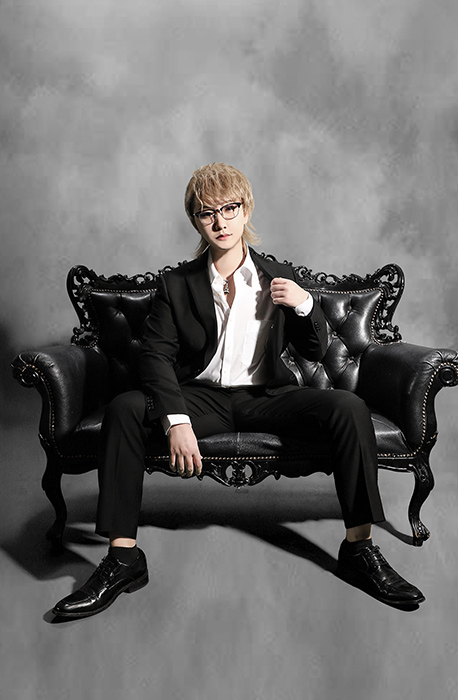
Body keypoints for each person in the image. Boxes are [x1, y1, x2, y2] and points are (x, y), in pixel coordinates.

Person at [53, 163, 425, 618]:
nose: (220, 222)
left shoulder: (278, 275)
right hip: (202, 397)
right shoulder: (177, 284)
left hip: (268, 398)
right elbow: (154, 357)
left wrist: (306, 305)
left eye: (229, 209)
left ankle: (359, 549)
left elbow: (315, 348)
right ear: (195, 220)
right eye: (207, 212)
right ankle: (123, 558)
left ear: (246, 210)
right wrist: (177, 421)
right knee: (126, 407)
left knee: (348, 406)